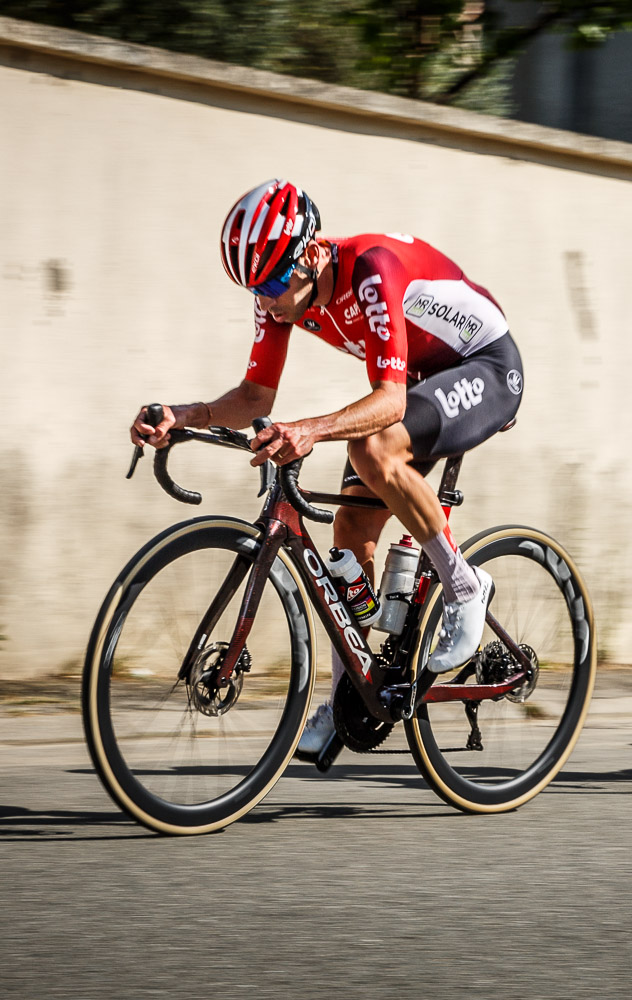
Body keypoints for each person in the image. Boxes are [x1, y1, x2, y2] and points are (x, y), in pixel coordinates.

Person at [130, 179, 523, 758]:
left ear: (311, 254)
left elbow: (389, 400)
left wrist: (310, 429)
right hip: (422, 381)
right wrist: (182, 416)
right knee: (350, 532)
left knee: (373, 449)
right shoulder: (282, 294)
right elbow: (255, 396)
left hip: (484, 365)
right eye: (252, 289)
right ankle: (350, 698)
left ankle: (466, 585)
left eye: (271, 285)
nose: (265, 302)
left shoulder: (371, 269)